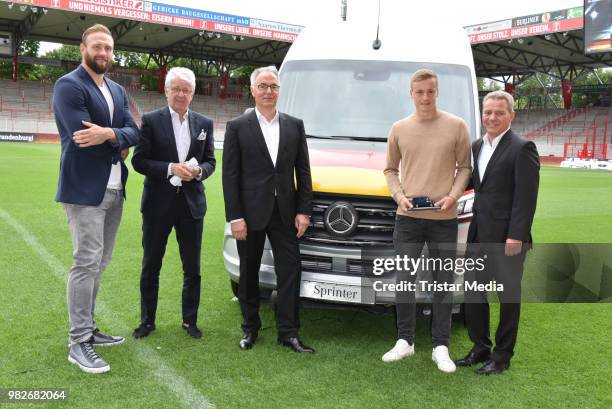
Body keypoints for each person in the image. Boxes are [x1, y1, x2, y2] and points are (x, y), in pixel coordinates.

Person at [53, 24, 140, 374]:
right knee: (86, 262)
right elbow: (80, 135)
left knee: (99, 263)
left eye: (108, 48)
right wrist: (118, 138)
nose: (103, 53)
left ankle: (89, 330)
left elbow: (136, 130)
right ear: (83, 49)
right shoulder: (69, 86)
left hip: (115, 188)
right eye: (97, 47)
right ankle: (78, 341)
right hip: (85, 189)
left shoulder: (117, 90)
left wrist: (111, 134)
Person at [382, 68, 472, 373]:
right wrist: (399, 196)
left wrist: (454, 196)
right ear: (411, 93)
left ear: (437, 92)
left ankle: (440, 346)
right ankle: (405, 341)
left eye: (430, 91)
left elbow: (465, 167)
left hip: (444, 218)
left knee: (443, 283)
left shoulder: (456, 126)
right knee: (404, 281)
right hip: (407, 217)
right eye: (419, 92)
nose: (425, 97)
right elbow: (390, 170)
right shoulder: (399, 128)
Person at [222, 66, 314, 353]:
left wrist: (304, 211)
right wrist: (235, 217)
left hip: (285, 213)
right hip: (249, 214)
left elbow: (304, 171)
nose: (268, 91)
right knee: (248, 274)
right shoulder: (237, 127)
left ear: (279, 90)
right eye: (263, 86)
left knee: (290, 271)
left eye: (273, 86)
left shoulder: (294, 125)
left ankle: (289, 332)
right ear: (252, 90)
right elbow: (230, 176)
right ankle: (250, 329)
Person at [455, 90, 539, 375]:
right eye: (487, 112)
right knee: (474, 293)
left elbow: (526, 198)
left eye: (499, 113)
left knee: (507, 299)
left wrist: (516, 235)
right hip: (478, 234)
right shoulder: (477, 146)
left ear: (511, 116)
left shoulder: (522, 147)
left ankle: (502, 357)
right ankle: (480, 348)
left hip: (508, 240)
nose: (492, 117)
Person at [131, 67, 216, 340]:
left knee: (192, 268)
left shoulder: (204, 123)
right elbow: (139, 161)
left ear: (193, 94)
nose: (181, 94)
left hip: (192, 206)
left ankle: (189, 321)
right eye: (176, 89)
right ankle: (147, 321)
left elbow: (210, 161)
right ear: (166, 91)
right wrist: (170, 168)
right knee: (151, 265)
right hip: (158, 205)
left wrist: (199, 171)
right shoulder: (151, 120)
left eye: (186, 90)